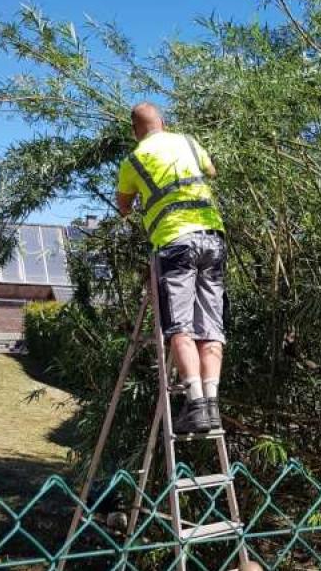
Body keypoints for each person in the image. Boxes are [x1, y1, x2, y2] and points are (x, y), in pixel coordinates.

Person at [117, 102, 227, 434]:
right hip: (213, 238)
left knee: (180, 326)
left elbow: (123, 207)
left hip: (175, 242)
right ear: (163, 122)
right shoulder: (188, 142)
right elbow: (211, 171)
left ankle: (195, 405)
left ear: (135, 131)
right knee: (211, 327)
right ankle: (212, 405)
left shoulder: (134, 160)